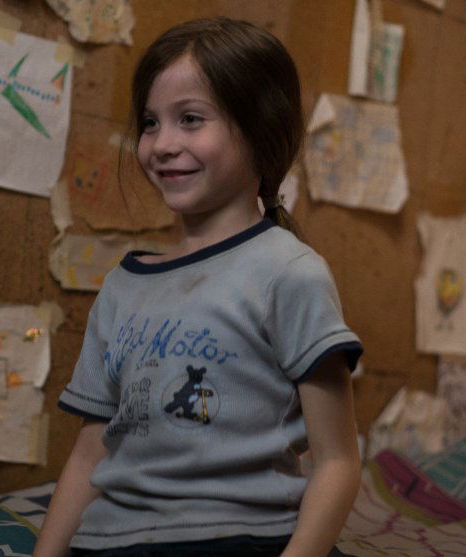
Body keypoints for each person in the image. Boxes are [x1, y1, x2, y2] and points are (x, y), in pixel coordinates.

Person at [34, 17, 363, 557]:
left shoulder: (289, 273)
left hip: (243, 541)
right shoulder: (122, 286)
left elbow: (338, 462)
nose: (162, 144)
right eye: (150, 123)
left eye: (190, 119)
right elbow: (91, 454)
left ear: (260, 129)